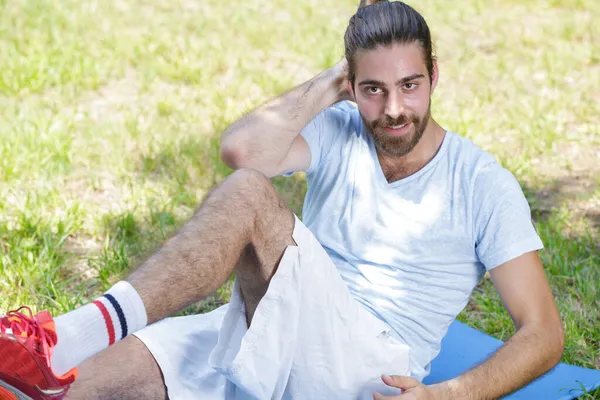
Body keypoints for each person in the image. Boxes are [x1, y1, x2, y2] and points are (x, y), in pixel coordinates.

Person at [0, 1, 565, 399]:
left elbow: (544, 332)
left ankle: (62, 334)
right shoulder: (344, 126)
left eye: (409, 85)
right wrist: (328, 85)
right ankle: (60, 355)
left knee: (249, 197)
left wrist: (446, 397)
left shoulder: (483, 183)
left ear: (434, 76)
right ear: (352, 84)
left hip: (362, 370)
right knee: (84, 380)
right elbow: (242, 147)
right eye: (373, 88)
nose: (393, 108)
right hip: (272, 325)